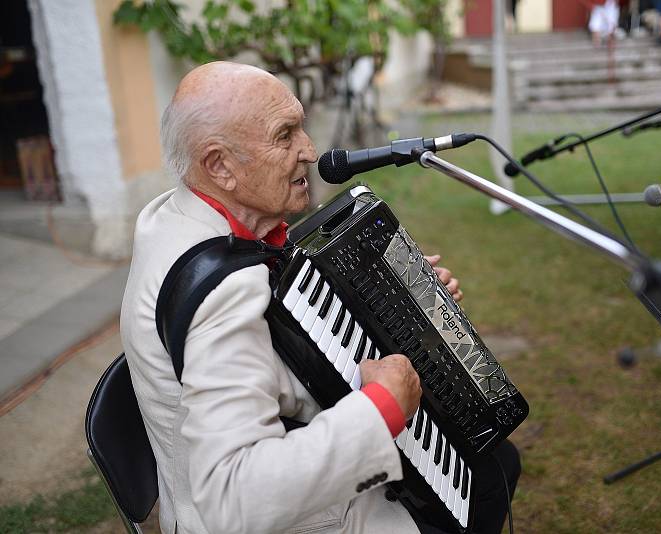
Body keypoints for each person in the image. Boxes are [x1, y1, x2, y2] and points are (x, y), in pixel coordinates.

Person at [120, 61, 518, 534]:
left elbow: (281, 341)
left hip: (288, 445)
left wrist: (401, 306)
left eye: (301, 127)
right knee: (485, 483)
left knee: (494, 460)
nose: (310, 150)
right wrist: (382, 408)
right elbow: (233, 496)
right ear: (219, 165)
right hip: (284, 521)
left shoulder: (179, 217)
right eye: (284, 135)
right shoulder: (221, 290)